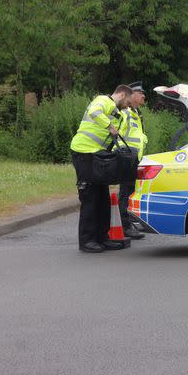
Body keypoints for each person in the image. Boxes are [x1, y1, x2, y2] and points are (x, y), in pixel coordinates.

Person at [70, 85, 133, 253]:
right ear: (121, 94)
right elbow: (94, 112)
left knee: (103, 199)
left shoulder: (117, 113)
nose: (128, 105)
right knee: (90, 197)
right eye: (127, 101)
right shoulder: (103, 101)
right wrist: (109, 126)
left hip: (96, 155)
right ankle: (87, 241)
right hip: (83, 152)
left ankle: (102, 238)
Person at [118, 81, 147, 240]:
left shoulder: (137, 113)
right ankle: (125, 225)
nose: (143, 96)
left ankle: (128, 221)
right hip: (127, 158)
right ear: (132, 95)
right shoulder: (126, 113)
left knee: (130, 191)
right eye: (141, 93)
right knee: (126, 192)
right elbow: (117, 134)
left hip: (134, 158)